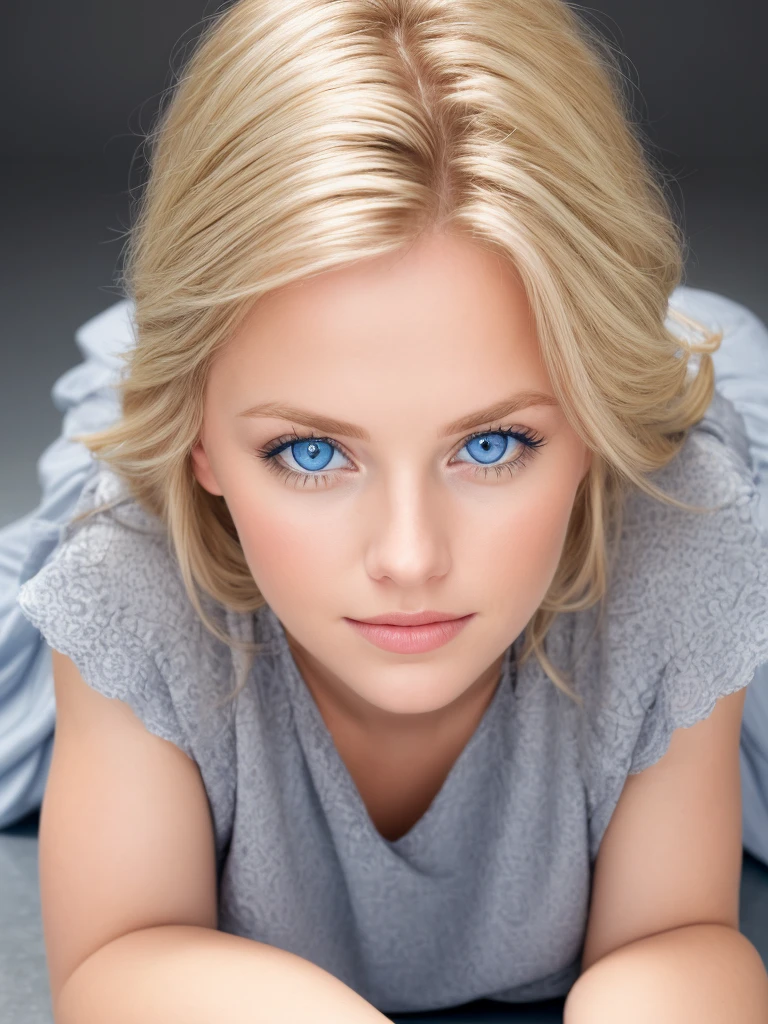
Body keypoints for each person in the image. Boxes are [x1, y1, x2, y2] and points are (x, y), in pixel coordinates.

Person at [3, 0, 768, 1019]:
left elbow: (679, 937)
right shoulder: (131, 575)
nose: (409, 557)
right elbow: (117, 957)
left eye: (492, 445)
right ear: (205, 447)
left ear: (588, 430)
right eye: (310, 453)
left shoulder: (679, 551)